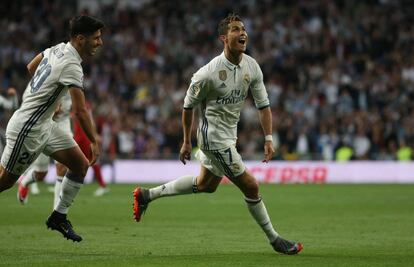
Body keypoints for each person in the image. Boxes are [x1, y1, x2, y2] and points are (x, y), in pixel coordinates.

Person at [133, 13, 303, 255]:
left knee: (205, 185)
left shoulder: (252, 66)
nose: (242, 33)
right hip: (213, 139)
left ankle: (146, 195)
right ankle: (274, 239)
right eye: (235, 29)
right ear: (224, 38)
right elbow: (187, 106)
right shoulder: (207, 73)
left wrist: (268, 138)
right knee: (252, 187)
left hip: (228, 136)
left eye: (243, 29)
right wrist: (185, 141)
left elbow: (263, 105)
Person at [0, 15, 104, 242]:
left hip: (45, 125)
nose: (100, 42)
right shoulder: (72, 65)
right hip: (27, 129)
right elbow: (80, 110)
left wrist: (48, 94)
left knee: (79, 165)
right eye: (95, 38)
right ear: (80, 39)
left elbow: (31, 67)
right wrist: (94, 141)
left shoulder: (58, 49)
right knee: (4, 182)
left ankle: (58, 216)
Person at [17, 92, 72, 208]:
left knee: (62, 167)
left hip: (63, 123)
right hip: (44, 123)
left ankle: (56, 213)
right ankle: (24, 182)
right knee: (41, 173)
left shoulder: (77, 78)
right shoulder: (46, 76)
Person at [72, 100, 109, 196]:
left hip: (84, 138)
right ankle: (65, 183)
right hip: (77, 137)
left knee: (90, 161)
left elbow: (90, 120)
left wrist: (95, 135)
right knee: (77, 160)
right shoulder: (72, 102)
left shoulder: (83, 104)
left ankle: (102, 185)